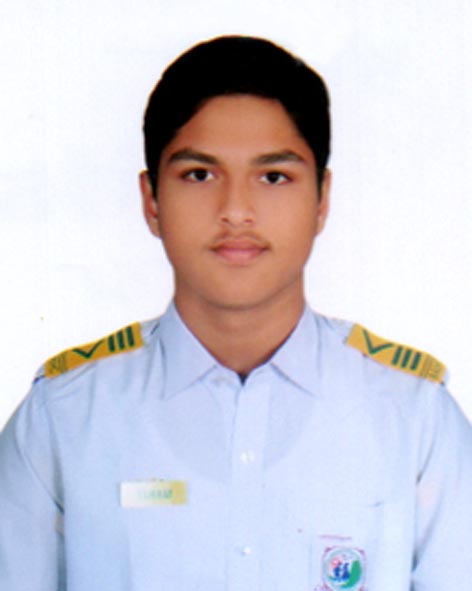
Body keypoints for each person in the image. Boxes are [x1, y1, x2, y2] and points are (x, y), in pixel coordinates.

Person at [0, 35, 471, 591]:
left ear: (322, 199)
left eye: (273, 177)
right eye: (200, 175)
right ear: (152, 201)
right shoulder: (64, 419)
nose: (236, 212)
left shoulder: (415, 421)